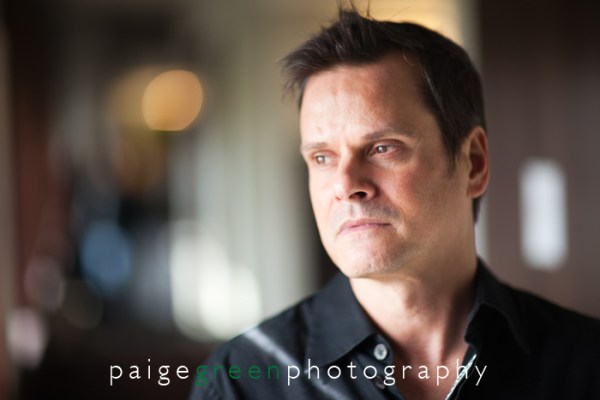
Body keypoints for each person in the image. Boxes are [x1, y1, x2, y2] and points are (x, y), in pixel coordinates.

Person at [189, 8, 600, 400]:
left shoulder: (586, 364)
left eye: (383, 148)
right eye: (322, 157)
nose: (346, 186)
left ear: (473, 163)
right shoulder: (239, 382)